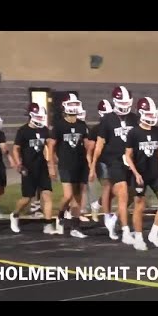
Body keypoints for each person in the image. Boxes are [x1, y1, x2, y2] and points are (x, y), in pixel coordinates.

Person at [89, 86, 137, 243]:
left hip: (130, 162)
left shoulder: (134, 118)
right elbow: (99, 145)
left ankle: (114, 219)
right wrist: (92, 166)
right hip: (113, 161)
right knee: (122, 194)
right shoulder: (107, 120)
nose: (124, 105)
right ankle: (126, 231)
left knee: (132, 195)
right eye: (121, 101)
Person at [124, 97, 158, 250]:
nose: (151, 116)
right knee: (139, 205)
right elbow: (128, 155)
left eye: (152, 113)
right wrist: (135, 173)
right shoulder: (134, 133)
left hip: (154, 173)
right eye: (148, 113)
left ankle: (154, 233)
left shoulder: (156, 130)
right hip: (140, 174)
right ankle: (139, 237)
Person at [47, 93, 89, 238]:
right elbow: (51, 147)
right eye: (70, 104)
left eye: (75, 104)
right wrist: (51, 165)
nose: (73, 107)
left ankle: (75, 227)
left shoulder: (82, 125)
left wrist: (91, 165)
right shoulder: (58, 125)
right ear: (64, 106)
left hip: (81, 164)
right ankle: (60, 215)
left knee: (78, 196)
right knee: (68, 195)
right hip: (65, 164)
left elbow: (87, 146)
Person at [9, 103, 56, 234]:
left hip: (42, 167)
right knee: (27, 198)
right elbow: (16, 149)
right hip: (28, 168)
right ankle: (15, 214)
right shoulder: (23, 131)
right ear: (31, 115)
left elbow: (50, 146)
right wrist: (19, 164)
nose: (40, 119)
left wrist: (52, 164)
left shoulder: (44, 129)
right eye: (38, 116)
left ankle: (47, 225)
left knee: (47, 195)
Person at [86, 99, 113, 222]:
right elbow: (90, 151)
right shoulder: (96, 129)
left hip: (115, 161)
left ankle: (97, 204)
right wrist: (92, 167)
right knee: (107, 186)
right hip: (102, 162)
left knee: (117, 189)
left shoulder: (115, 126)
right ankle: (107, 215)